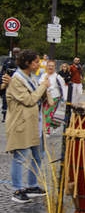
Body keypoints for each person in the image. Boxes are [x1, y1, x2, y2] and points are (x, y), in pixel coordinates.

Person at [3, 49, 50, 203]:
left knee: (38, 156)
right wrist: (43, 87)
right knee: (20, 157)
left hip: (35, 124)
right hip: (21, 124)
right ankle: (17, 190)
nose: (38, 64)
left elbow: (41, 97)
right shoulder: (16, 79)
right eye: (36, 62)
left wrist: (44, 89)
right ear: (28, 63)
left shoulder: (31, 77)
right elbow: (30, 100)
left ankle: (32, 185)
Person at [39, 59, 68, 135]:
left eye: (52, 66)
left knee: (47, 114)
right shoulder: (43, 75)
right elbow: (39, 85)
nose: (50, 67)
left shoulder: (58, 77)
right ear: (46, 66)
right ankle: (54, 125)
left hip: (54, 98)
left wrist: (64, 99)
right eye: (49, 66)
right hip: (44, 98)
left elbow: (63, 88)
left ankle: (47, 131)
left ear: (55, 67)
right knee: (46, 114)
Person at [1, 47, 20, 123]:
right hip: (7, 83)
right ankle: (5, 116)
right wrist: (2, 83)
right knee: (5, 100)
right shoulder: (8, 61)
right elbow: (2, 72)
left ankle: (15, 116)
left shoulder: (21, 61)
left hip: (17, 84)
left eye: (17, 52)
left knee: (16, 100)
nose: (16, 53)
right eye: (15, 52)